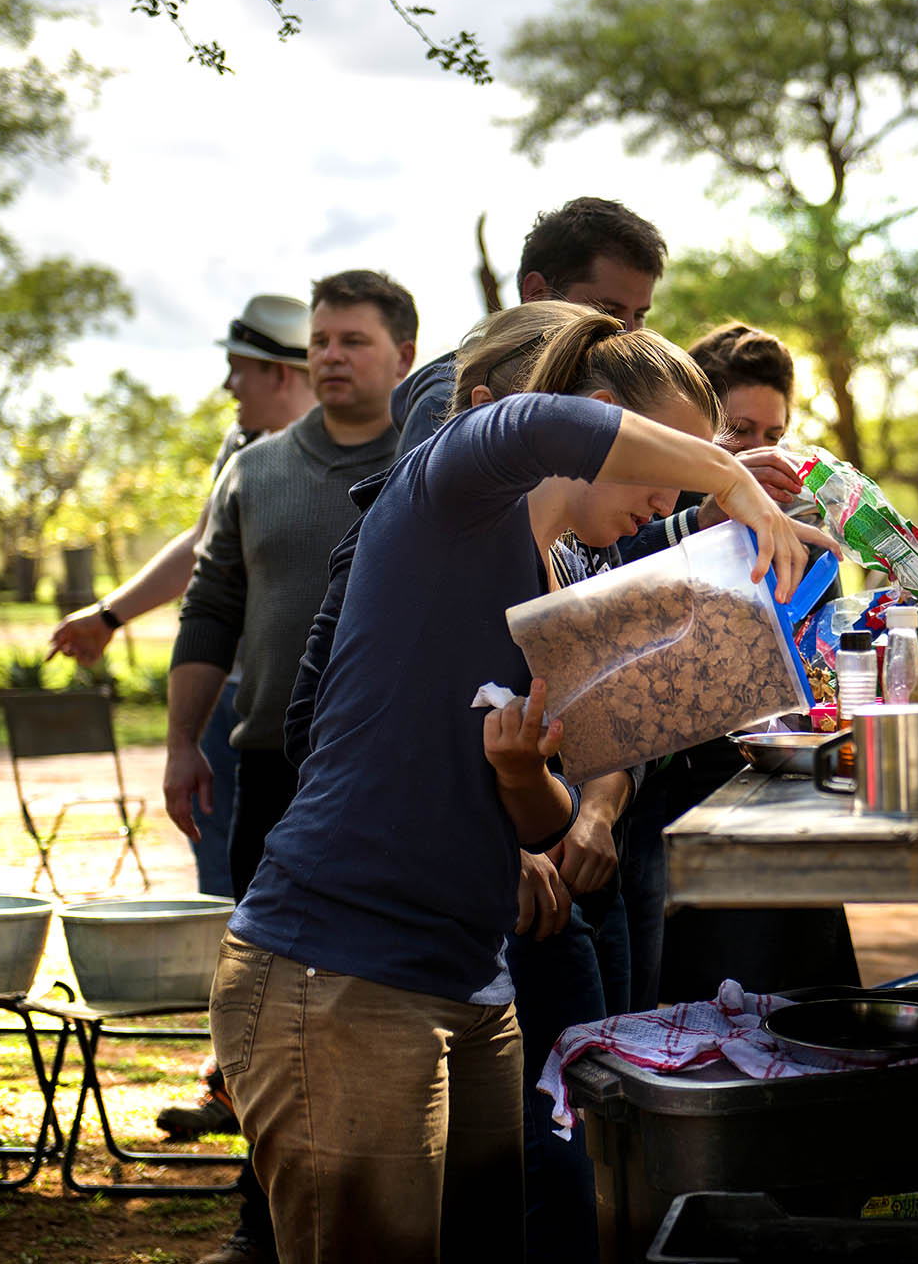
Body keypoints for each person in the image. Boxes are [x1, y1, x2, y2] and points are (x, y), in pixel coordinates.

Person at [212, 311, 822, 1262]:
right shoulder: (450, 496)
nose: (670, 493)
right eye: (672, 457)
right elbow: (532, 425)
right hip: (337, 971)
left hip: (470, 984)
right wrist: (736, 475)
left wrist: (518, 771)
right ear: (606, 415)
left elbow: (558, 819)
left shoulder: (561, 588)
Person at [166, 270, 414, 1264]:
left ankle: (391, 1211)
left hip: (396, 778)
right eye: (320, 339)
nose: (330, 355)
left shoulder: (434, 464)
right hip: (269, 770)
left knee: (378, 1005)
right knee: (269, 1011)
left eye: (353, 339)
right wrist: (183, 742)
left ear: (402, 353)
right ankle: (258, 1222)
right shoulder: (256, 469)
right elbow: (210, 610)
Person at [47, 294, 316, 903]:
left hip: (309, 708)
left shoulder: (356, 452)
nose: (228, 385)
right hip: (229, 693)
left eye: (239, 368)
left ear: (277, 373)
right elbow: (203, 547)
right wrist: (110, 614)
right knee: (226, 879)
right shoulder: (243, 445)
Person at [625, 321, 861, 1009]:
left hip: (788, 811)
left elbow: (820, 681)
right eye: (737, 433)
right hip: (681, 825)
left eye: (772, 435)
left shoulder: (805, 542)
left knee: (810, 1010)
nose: (759, 454)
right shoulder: (646, 521)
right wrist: (706, 518)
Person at [393, 196, 667, 456]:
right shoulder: (447, 404)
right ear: (536, 293)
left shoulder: (627, 398)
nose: (626, 332)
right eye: (607, 312)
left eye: (640, 315)